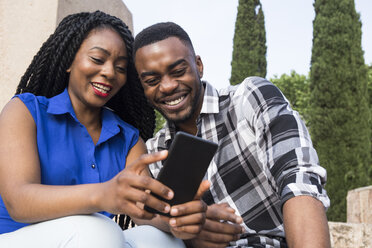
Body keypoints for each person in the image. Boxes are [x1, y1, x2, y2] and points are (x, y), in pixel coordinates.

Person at [0, 12, 208, 248]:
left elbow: (143, 211)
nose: (110, 72)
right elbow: (19, 201)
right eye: (98, 59)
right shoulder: (26, 111)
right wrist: (105, 194)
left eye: (120, 68)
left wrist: (181, 220)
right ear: (69, 61)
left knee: (160, 240)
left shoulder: (128, 138)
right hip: (15, 238)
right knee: (98, 229)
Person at [132, 22, 332, 248]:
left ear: (198, 65)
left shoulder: (249, 99)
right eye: (152, 81)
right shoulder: (156, 152)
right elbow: (149, 217)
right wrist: (184, 228)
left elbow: (298, 180)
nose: (167, 86)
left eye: (178, 71)